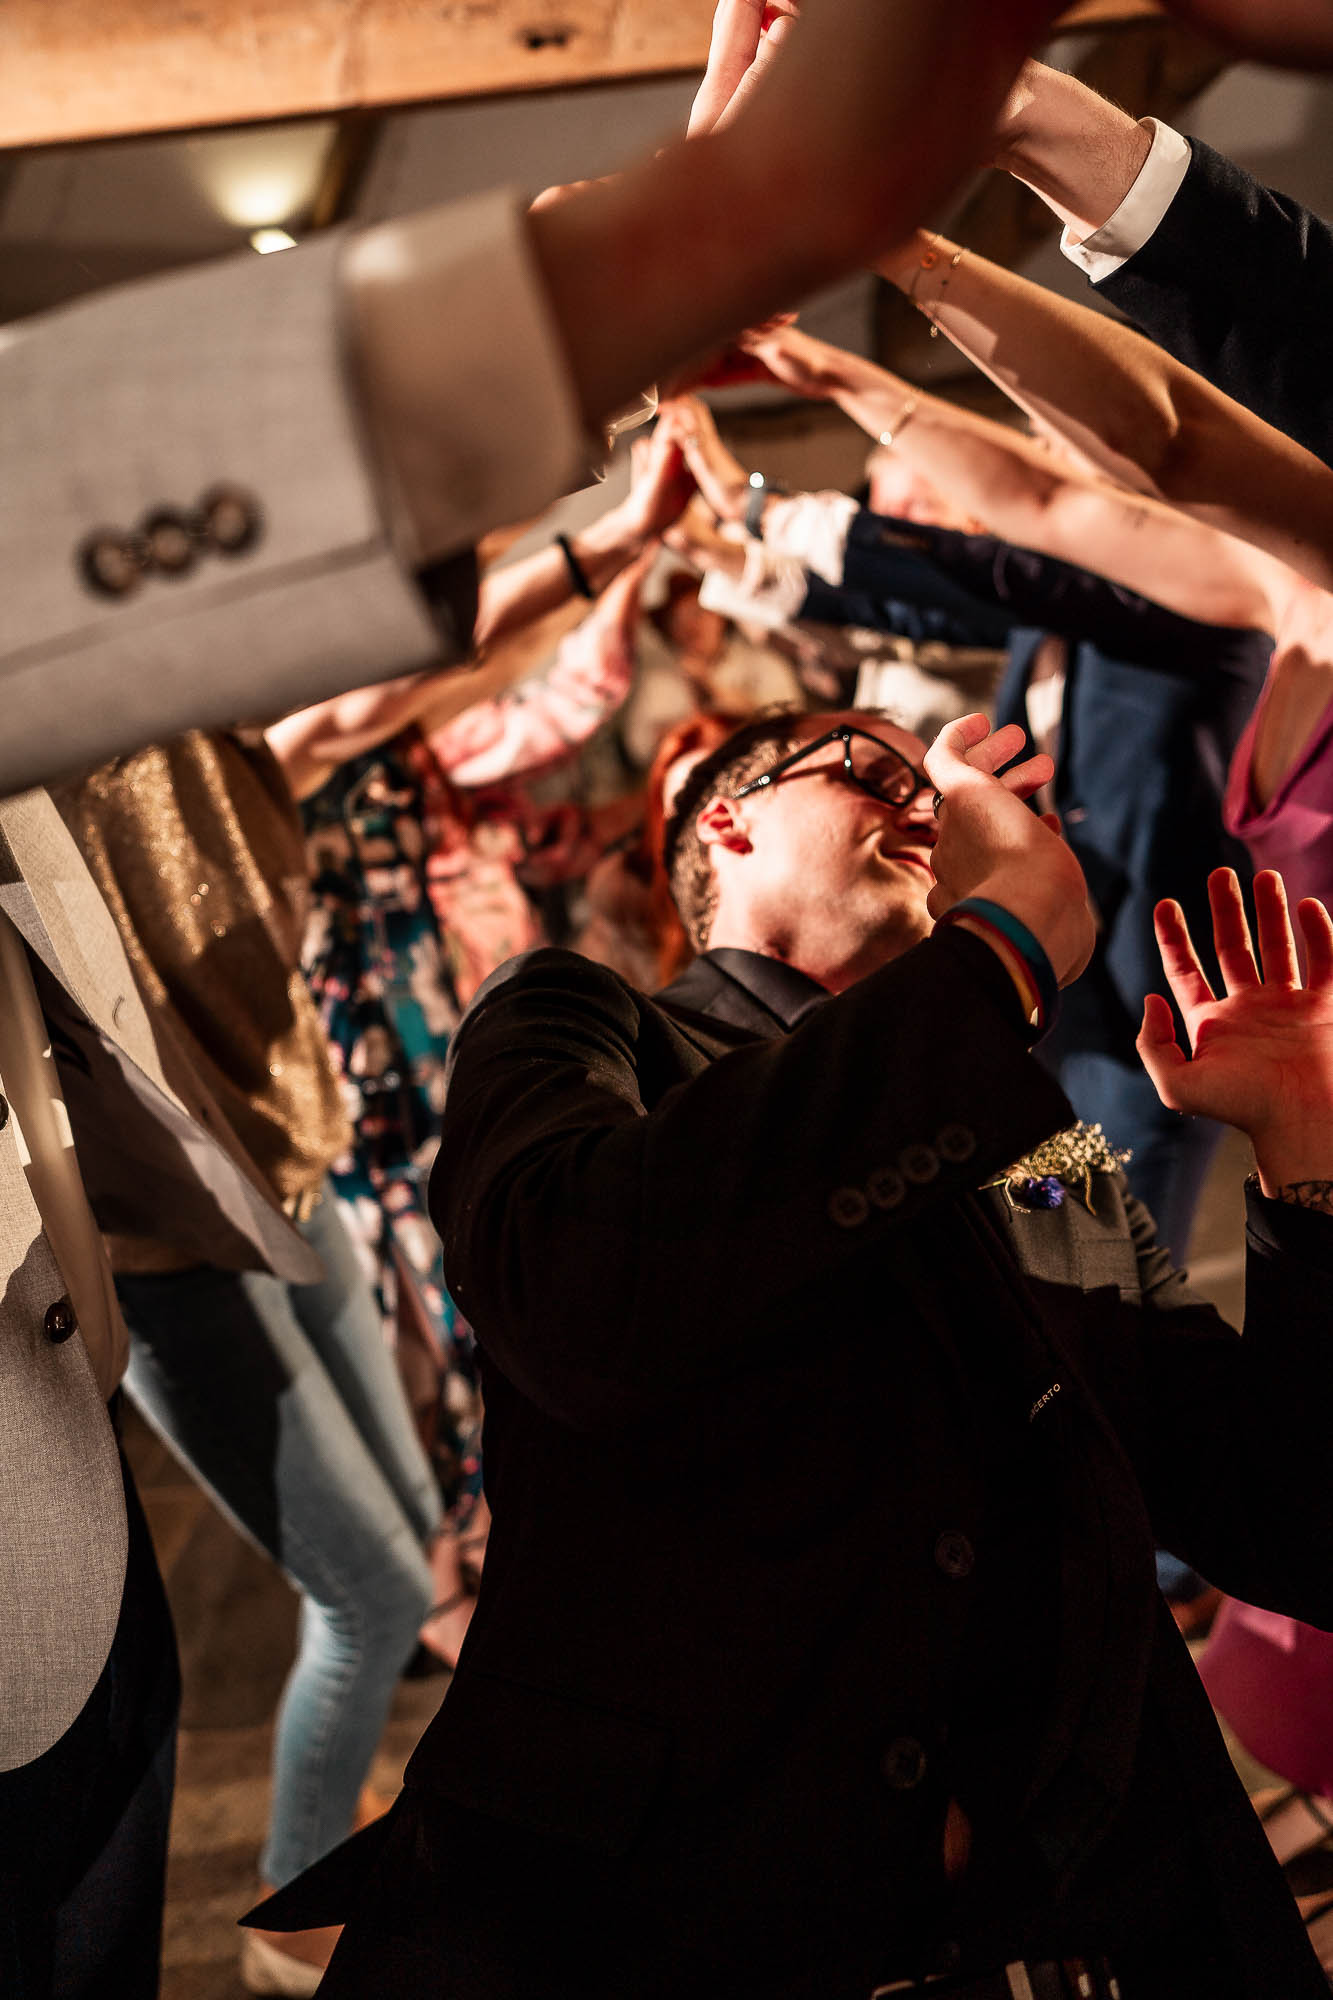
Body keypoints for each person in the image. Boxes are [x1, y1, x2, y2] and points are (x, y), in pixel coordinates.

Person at [253, 702, 1333, 1999]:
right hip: (672, 1931)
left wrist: (1303, 1159)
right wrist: (997, 949)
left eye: (944, 788)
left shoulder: (1034, 1157)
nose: (930, 805)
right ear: (727, 819)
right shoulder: (589, 1029)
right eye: (877, 772)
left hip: (1090, 1930)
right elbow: (582, 1295)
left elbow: (1290, 1521)